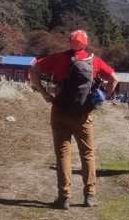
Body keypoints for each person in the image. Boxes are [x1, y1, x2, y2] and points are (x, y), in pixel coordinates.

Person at [30, 30, 119, 210]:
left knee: (63, 155)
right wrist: (103, 96)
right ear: (85, 44)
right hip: (83, 115)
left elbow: (33, 70)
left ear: (70, 42)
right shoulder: (94, 61)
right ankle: (90, 195)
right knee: (87, 154)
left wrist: (43, 93)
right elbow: (114, 79)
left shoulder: (58, 58)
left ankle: (64, 197)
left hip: (59, 112)